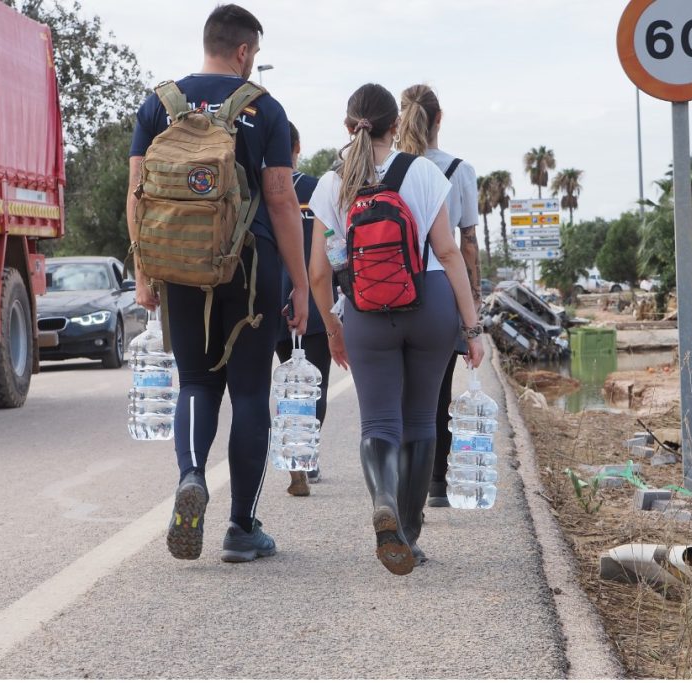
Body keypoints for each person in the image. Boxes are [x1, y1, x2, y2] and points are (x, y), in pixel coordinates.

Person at [126, 4, 308, 563]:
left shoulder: (159, 103)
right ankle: (241, 527)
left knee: (197, 383)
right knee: (250, 392)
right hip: (252, 267)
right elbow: (280, 198)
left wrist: (143, 272)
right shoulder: (265, 109)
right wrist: (299, 285)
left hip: (179, 263)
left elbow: (136, 193)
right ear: (245, 51)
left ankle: (191, 475)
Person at [307, 84, 484, 575]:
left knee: (379, 423)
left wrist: (333, 328)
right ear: (394, 126)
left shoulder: (331, 183)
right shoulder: (423, 171)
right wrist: (472, 328)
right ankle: (407, 531)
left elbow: (320, 273)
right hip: (429, 301)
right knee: (422, 420)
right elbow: (449, 252)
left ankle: (382, 496)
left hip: (365, 308)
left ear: (349, 128)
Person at [396, 84, 482, 508]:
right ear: (438, 119)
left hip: (386, 290)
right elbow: (466, 243)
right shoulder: (458, 170)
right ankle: (435, 483)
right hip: (439, 293)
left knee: (395, 392)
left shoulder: (383, 166)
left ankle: (394, 481)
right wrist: (474, 311)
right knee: (436, 391)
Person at [276, 122, 333, 498]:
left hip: (270, 301)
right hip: (311, 299)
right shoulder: (318, 190)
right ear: (298, 147)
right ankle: (305, 458)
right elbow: (334, 248)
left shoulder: (261, 190)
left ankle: (294, 456)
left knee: (285, 383)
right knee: (314, 385)